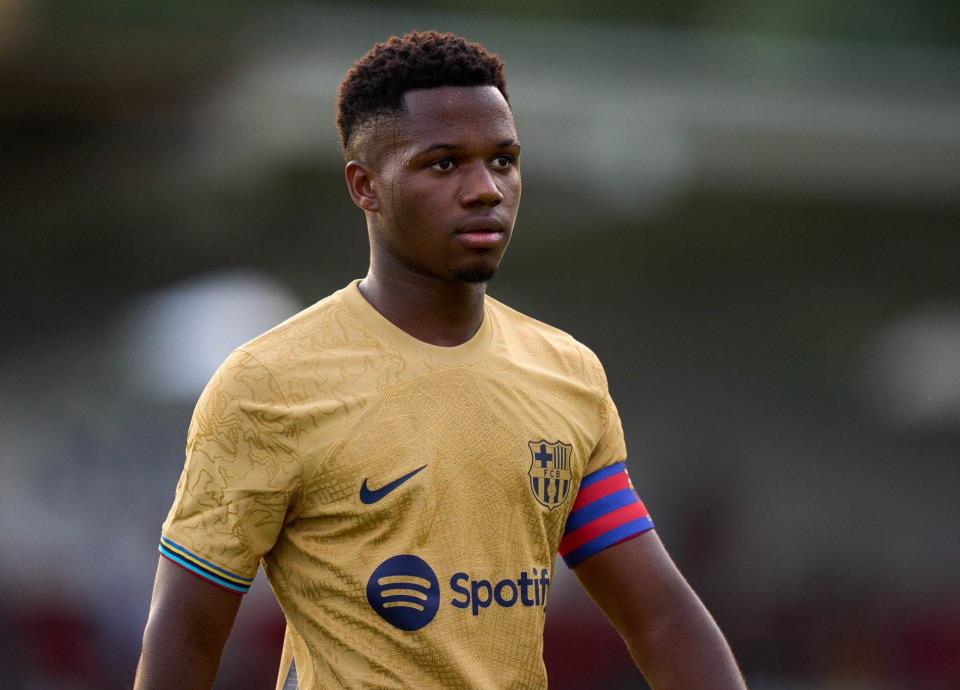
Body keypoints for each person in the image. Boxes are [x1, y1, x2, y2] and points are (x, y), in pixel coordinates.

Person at [134, 30, 747, 690]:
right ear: (365, 186)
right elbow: (185, 634)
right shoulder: (269, 384)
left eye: (503, 161)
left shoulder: (567, 375)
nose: (486, 189)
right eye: (444, 164)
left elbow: (660, 617)